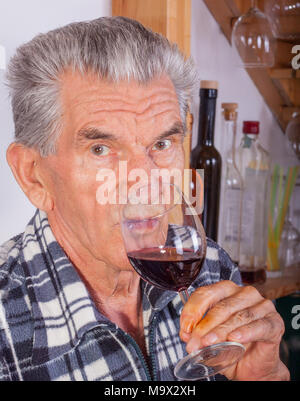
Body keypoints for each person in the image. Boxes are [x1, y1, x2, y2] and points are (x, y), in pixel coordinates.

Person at [0, 16, 289, 381]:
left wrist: (266, 378)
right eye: (101, 149)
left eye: (163, 144)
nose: (148, 184)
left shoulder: (210, 267)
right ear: (32, 175)